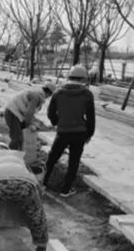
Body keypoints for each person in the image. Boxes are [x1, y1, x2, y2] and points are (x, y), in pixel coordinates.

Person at [43, 66, 96, 197]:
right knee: (74, 162)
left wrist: (57, 122)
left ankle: (42, 183)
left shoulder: (58, 92)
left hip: (63, 132)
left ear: (69, 77)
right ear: (84, 78)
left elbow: (50, 113)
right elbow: (91, 117)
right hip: (79, 133)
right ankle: (65, 190)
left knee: (52, 159)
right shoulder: (87, 94)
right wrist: (89, 134)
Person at [4, 83, 56, 150]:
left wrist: (29, 123)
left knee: (20, 138)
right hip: (13, 113)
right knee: (16, 138)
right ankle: (12, 156)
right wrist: (29, 125)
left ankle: (18, 154)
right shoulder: (36, 96)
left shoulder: (37, 92)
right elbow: (29, 112)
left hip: (15, 113)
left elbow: (29, 111)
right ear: (49, 93)